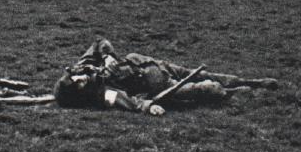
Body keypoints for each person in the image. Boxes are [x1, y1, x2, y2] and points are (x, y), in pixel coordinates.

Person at [53, 38, 278, 115]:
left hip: (148, 63)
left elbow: (100, 42)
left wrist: (107, 55)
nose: (80, 79)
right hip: (158, 84)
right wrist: (148, 107)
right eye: (77, 85)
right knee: (202, 89)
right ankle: (234, 92)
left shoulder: (83, 66)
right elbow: (126, 100)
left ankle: (249, 82)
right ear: (80, 94)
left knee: (200, 74)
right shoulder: (101, 94)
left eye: (75, 78)